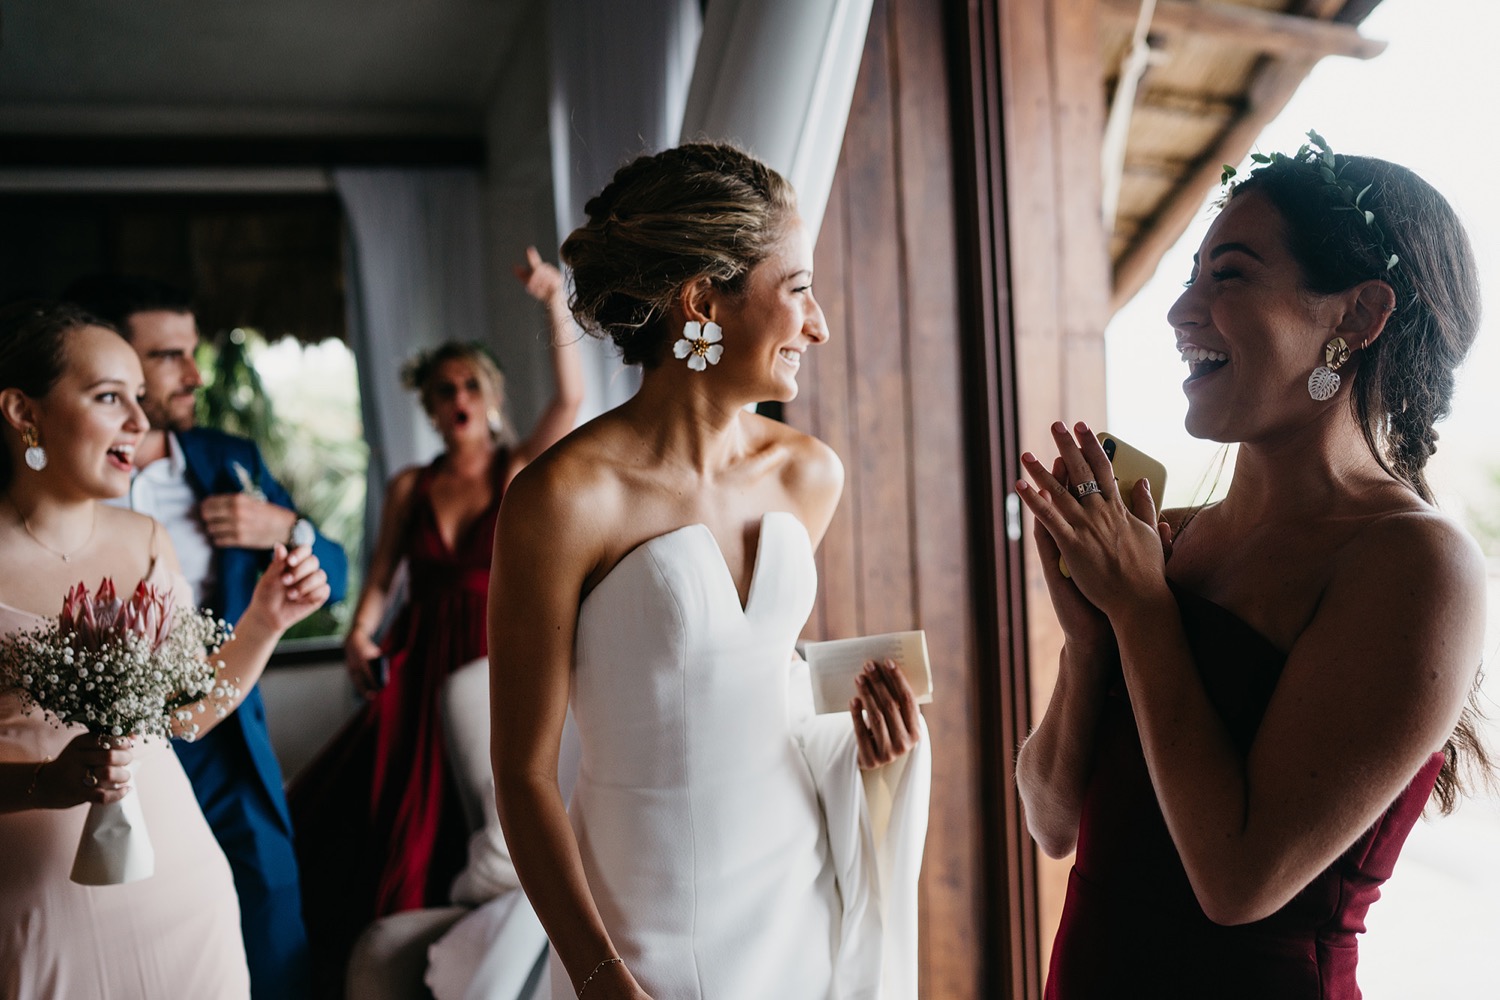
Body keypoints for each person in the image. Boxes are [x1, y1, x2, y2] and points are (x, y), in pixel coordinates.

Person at [1013, 137, 1490, 998]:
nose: (1180, 312)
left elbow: (1239, 883)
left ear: (1356, 315)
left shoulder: (1417, 563)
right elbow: (1051, 824)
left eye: (1226, 276)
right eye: (1191, 275)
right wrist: (1091, 640)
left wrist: (1144, 616)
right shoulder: (1169, 544)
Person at [488, 143, 931, 1000]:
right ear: (701, 301)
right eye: (797, 288)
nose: (820, 324)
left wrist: (872, 744)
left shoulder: (811, 476)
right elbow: (524, 774)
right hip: (637, 932)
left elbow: (763, 687)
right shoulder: (561, 501)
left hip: (801, 907)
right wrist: (597, 974)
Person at [0, 301, 331, 1000]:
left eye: (140, 401)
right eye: (109, 397)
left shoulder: (145, 538)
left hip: (177, 882)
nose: (140, 424)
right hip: (33, 901)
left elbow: (184, 715)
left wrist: (268, 618)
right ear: (23, 413)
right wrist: (43, 785)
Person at [290, 247, 584, 996]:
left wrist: (554, 300)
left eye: (471, 386)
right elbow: (383, 571)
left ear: (490, 396)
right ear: (427, 404)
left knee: (492, 785)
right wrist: (359, 631)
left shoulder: (517, 466)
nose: (459, 399)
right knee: (401, 800)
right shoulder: (411, 484)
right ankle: (395, 941)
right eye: (445, 388)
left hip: (494, 645)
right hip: (420, 650)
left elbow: (572, 403)